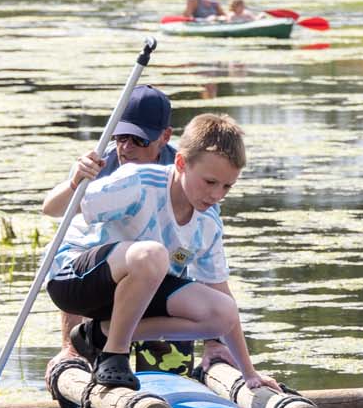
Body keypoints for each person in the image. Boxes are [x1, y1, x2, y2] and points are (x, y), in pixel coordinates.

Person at [45, 112, 275, 391]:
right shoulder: (139, 181)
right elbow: (53, 209)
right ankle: (115, 355)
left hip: (133, 297)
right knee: (153, 255)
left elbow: (221, 292)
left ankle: (99, 335)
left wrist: (249, 373)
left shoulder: (208, 222)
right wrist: (74, 183)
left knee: (223, 314)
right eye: (210, 182)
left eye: (227, 186)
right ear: (180, 162)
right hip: (76, 282)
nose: (217, 195)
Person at [39, 85, 177, 377]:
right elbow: (55, 215)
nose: (126, 148)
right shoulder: (100, 167)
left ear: (165, 136)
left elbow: (201, 246)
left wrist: (217, 343)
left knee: (169, 372)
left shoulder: (182, 172)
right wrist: (75, 182)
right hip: (108, 275)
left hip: (160, 276)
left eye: (138, 139)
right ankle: (78, 346)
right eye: (120, 137)